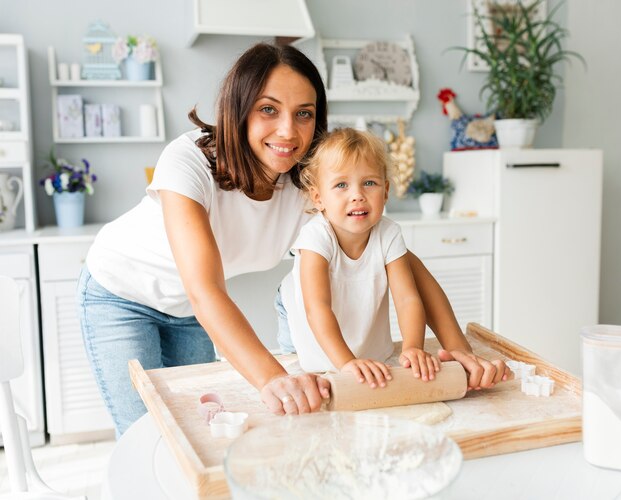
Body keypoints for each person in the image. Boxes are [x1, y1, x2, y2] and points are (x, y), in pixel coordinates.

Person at [77, 42, 508, 437]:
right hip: (121, 294)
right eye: (268, 109)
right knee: (145, 434)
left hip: (189, 312)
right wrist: (273, 378)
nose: (288, 131)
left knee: (193, 430)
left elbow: (405, 265)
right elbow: (205, 290)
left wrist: (457, 350)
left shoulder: (312, 180)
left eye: (304, 113)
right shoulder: (188, 160)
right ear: (239, 108)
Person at [278, 128, 440, 388]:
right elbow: (317, 308)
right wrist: (346, 363)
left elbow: (408, 299)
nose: (357, 195)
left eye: (369, 183)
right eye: (341, 185)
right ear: (319, 198)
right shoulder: (315, 237)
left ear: (385, 191)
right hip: (305, 320)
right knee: (307, 376)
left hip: (360, 320)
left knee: (370, 368)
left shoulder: (389, 234)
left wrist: (412, 348)